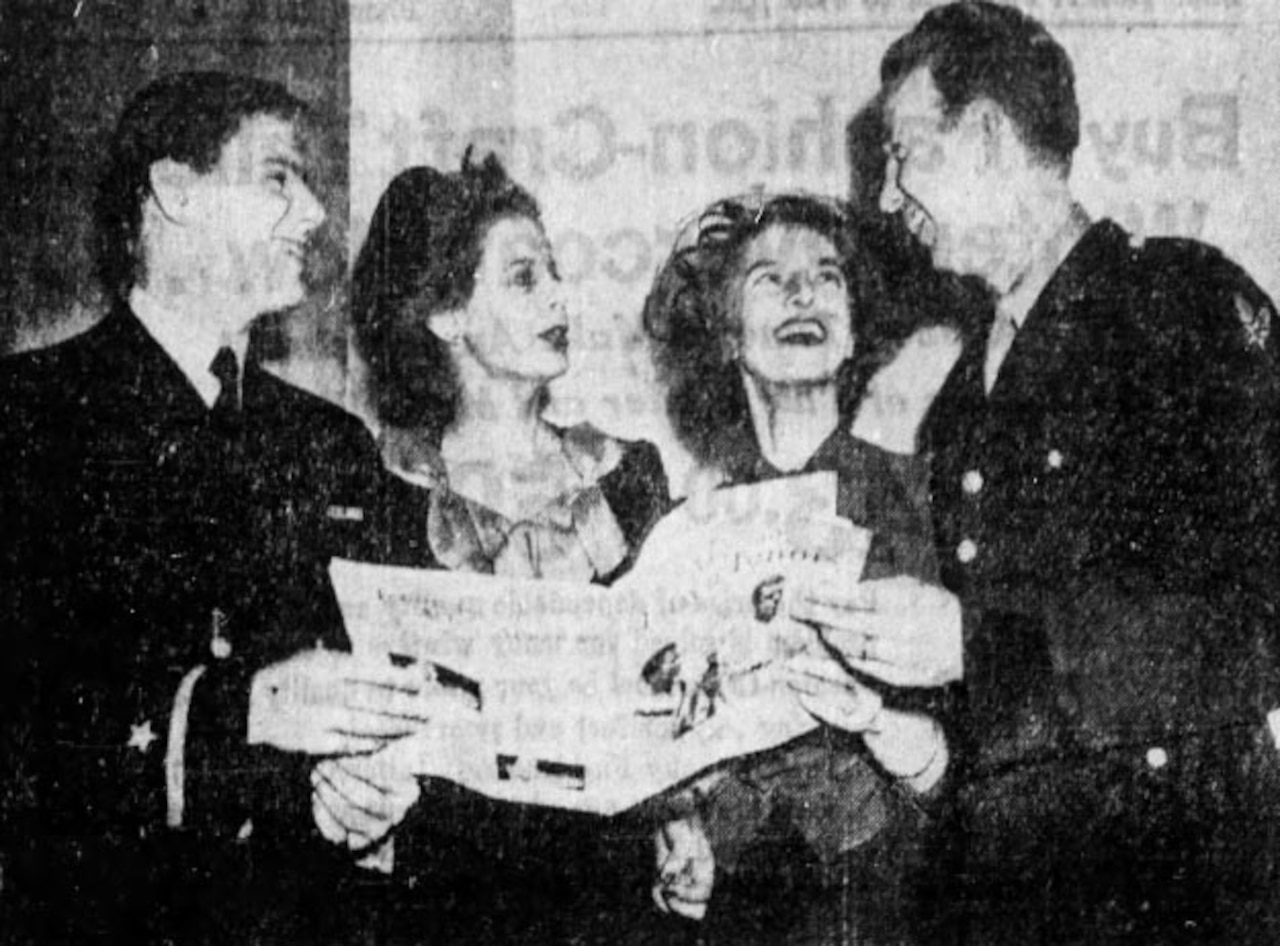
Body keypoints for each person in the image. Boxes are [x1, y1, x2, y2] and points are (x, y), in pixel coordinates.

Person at [863, 2, 1280, 941]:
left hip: (1174, 890)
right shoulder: (968, 382)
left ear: (985, 137)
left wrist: (977, 649)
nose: (888, 195)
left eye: (903, 154)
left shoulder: (1179, 306)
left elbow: (1254, 617)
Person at [0, 71, 433, 944]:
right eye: (278, 177)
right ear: (176, 190)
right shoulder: (31, 417)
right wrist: (252, 711)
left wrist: (366, 803)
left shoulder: (333, 444)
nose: (312, 214)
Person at [331, 153, 670, 942]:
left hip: (611, 894)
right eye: (524, 278)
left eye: (554, 272)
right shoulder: (381, 493)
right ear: (446, 315)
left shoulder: (631, 479)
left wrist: (681, 822)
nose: (559, 295)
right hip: (441, 899)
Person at [641, 192, 961, 944]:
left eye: (827, 277)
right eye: (767, 279)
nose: (802, 294)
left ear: (853, 336)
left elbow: (983, 761)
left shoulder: (927, 503)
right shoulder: (691, 527)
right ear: (724, 336)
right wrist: (681, 827)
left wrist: (882, 724)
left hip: (901, 904)